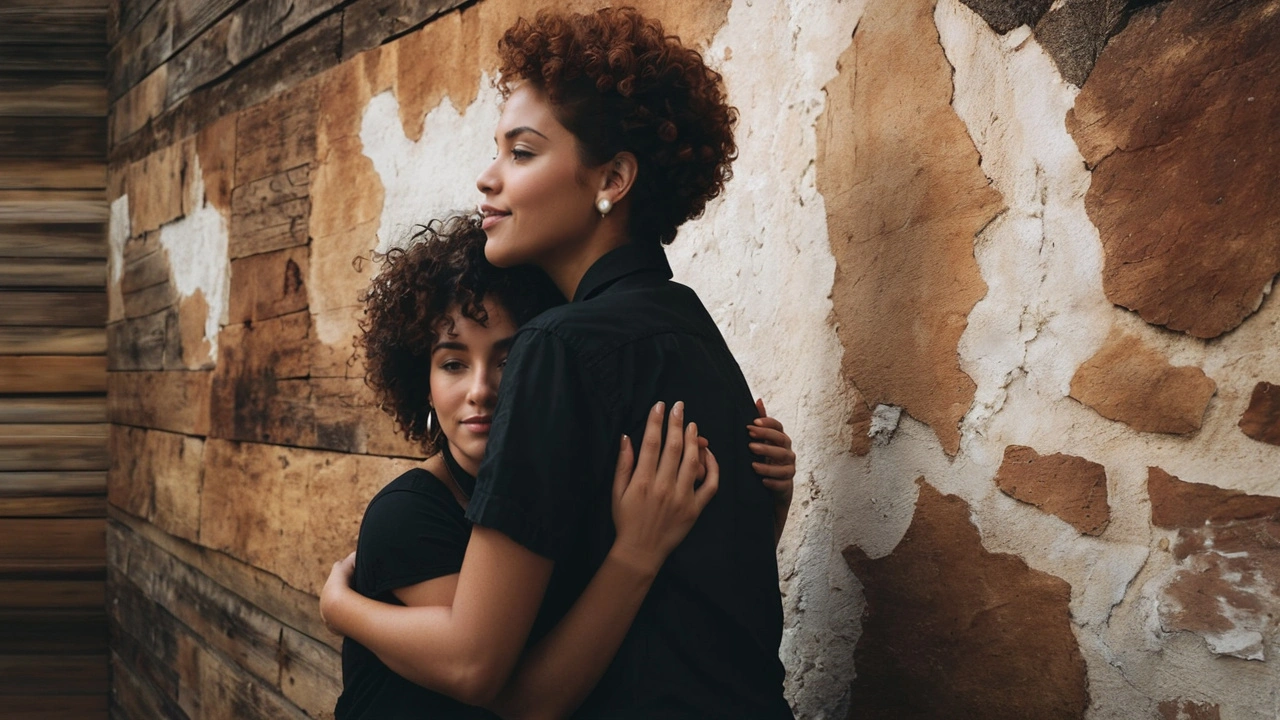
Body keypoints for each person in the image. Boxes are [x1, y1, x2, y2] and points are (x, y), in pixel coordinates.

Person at [321, 7, 795, 718]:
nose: (488, 178)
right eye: (498, 149)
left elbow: (478, 665)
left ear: (613, 178)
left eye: (522, 152)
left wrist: (339, 604)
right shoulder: (690, 325)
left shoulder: (559, 347)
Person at [331, 215, 796, 719]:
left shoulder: (570, 485)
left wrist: (764, 498)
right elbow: (517, 698)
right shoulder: (408, 516)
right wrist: (341, 609)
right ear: (421, 382)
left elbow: (671, 598)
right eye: (453, 363)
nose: (481, 389)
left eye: (509, 360)